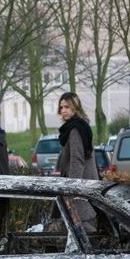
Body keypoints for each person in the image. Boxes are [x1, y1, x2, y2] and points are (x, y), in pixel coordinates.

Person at [56, 91, 98, 233]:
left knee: (82, 226)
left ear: (75, 107)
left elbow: (77, 160)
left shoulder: (75, 129)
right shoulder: (78, 126)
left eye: (67, 107)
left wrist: (71, 188)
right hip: (84, 184)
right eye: (61, 108)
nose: (63, 111)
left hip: (80, 186)